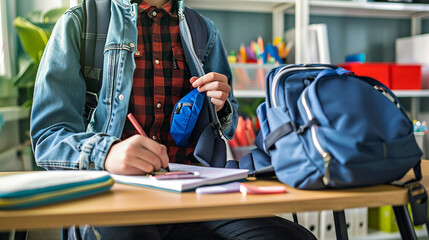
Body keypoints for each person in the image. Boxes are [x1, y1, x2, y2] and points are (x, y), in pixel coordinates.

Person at [30, 0, 317, 239]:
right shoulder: (82, 22)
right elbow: (48, 136)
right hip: (112, 199)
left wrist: (219, 107)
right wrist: (106, 154)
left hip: (195, 199)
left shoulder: (203, 30)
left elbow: (226, 122)